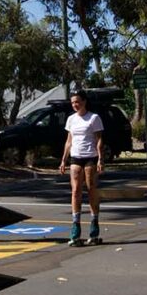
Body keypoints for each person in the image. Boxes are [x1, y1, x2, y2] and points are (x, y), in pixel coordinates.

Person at [59, 89, 104, 245]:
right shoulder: (71, 119)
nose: (75, 105)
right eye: (72, 102)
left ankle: (94, 226)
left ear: (84, 101)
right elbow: (69, 141)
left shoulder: (94, 118)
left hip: (90, 157)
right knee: (76, 190)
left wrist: (100, 159)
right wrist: (64, 160)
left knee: (91, 189)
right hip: (75, 157)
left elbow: (99, 140)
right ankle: (75, 227)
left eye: (77, 102)